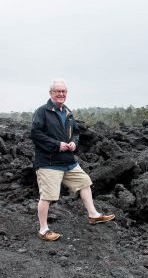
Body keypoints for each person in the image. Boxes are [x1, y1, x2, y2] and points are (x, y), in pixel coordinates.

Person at [30, 79, 115, 241]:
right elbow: (35, 134)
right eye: (58, 91)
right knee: (47, 196)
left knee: (84, 182)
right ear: (51, 93)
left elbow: (75, 132)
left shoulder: (67, 112)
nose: (61, 94)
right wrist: (56, 145)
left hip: (68, 160)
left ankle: (93, 214)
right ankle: (43, 229)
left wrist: (74, 143)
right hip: (49, 162)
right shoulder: (42, 112)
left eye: (64, 91)